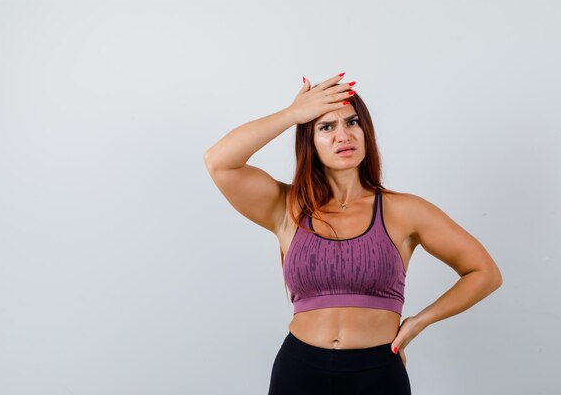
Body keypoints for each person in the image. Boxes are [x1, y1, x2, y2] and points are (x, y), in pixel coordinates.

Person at [203, 72, 503, 395]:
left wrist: (419, 321)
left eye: (352, 122)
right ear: (310, 141)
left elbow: (484, 272)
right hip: (299, 371)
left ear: (365, 132)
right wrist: (292, 114)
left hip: (378, 375)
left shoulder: (403, 211)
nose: (343, 135)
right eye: (326, 127)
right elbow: (218, 162)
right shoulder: (287, 208)